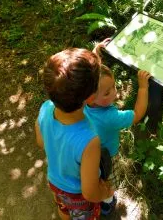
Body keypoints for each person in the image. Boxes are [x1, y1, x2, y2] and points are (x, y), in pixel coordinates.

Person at [35, 48, 113, 220]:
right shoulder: (89, 140)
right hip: (78, 196)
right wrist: (105, 192)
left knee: (63, 209)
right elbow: (90, 192)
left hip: (55, 183)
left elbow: (41, 142)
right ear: (91, 98)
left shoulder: (46, 108)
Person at [84, 57, 151, 215]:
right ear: (90, 97)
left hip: (87, 153)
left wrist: (95, 54)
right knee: (108, 182)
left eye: (114, 85)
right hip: (107, 157)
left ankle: (91, 196)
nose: (115, 92)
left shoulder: (81, 101)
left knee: (93, 177)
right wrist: (143, 88)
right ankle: (106, 204)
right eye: (108, 92)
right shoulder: (110, 117)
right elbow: (137, 114)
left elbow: (89, 77)